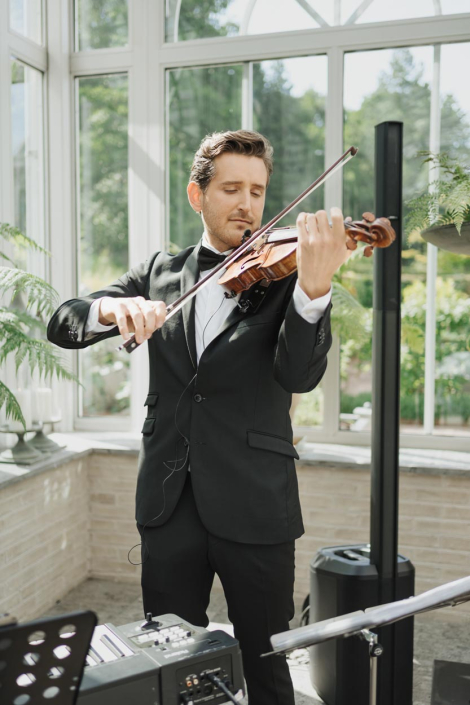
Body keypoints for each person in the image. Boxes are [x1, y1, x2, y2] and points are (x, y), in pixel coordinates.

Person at [47, 130, 350, 705]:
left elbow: (298, 377)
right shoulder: (161, 271)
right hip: (169, 502)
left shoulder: (288, 274)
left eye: (258, 191)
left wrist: (314, 286)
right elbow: (65, 322)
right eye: (232, 188)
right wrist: (112, 307)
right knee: (166, 662)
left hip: (256, 502)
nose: (248, 204)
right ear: (197, 195)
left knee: (266, 666)